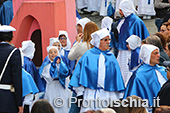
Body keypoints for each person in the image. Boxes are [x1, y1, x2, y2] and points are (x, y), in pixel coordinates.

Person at [69, 28, 125, 113]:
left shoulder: (111, 57)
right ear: (98, 41)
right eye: (105, 40)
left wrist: (120, 95)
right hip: (91, 93)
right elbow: (79, 75)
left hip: (109, 94)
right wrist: (79, 93)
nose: (108, 42)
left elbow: (117, 78)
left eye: (109, 39)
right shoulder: (88, 56)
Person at [124, 44, 168, 113]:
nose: (159, 55)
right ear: (147, 55)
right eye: (155, 53)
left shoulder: (163, 70)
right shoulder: (139, 75)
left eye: (158, 53)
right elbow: (133, 96)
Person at [116, 0, 150, 84]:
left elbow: (140, 37)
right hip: (122, 51)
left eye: (121, 10)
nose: (119, 12)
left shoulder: (136, 21)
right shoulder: (123, 21)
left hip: (130, 53)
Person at [39, 46, 70, 113]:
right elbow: (46, 75)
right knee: (52, 100)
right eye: (51, 53)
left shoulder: (62, 64)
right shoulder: (46, 65)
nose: (53, 54)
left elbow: (65, 73)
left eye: (55, 52)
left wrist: (59, 65)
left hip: (60, 86)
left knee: (62, 101)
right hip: (51, 86)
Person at [0, 25, 23, 112]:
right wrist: (19, 103)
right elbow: (17, 78)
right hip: (7, 97)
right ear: (12, 37)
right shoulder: (14, 52)